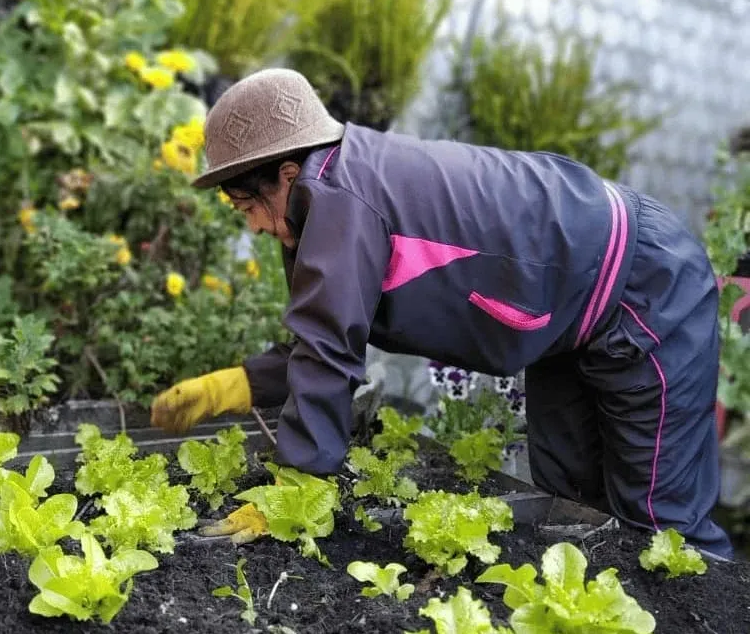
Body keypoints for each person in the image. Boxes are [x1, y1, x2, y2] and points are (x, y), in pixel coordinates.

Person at [149, 68, 734, 559]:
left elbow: (329, 352)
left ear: (286, 172)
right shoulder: (316, 201)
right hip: (569, 321)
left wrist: (295, 490)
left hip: (644, 286)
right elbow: (325, 333)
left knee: (663, 527)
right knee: (571, 499)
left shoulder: (339, 197)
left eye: (250, 205)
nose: (251, 224)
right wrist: (243, 383)